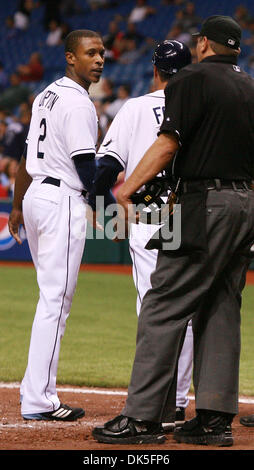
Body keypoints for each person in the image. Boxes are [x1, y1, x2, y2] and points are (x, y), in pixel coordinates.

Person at [92, 15, 254, 447]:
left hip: (200, 204)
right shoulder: (250, 86)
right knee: (221, 306)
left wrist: (127, 190)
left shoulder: (190, 80)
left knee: (162, 302)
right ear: (236, 48)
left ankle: (144, 419)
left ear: (203, 44)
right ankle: (215, 420)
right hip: (245, 204)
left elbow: (168, 143)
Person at [89, 39, 193, 431]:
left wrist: (109, 217)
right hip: (190, 211)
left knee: (152, 308)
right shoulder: (197, 105)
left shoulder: (132, 107)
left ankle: (153, 405)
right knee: (188, 309)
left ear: (155, 70)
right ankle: (179, 402)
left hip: (149, 211)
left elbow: (105, 171)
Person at [8, 29, 105, 421]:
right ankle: (39, 399)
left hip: (35, 198)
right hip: (61, 200)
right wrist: (112, 208)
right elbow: (86, 167)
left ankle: (35, 392)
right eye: (90, 53)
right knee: (55, 301)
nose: (99, 59)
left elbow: (27, 156)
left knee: (49, 298)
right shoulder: (79, 104)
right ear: (70, 57)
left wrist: (16, 206)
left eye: (102, 53)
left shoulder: (45, 94)